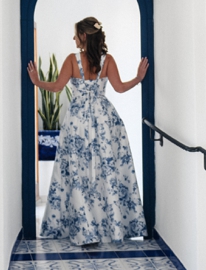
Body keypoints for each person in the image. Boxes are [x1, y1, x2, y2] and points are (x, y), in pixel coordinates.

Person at [27, 17, 149, 245]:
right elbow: (120, 88)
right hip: (105, 121)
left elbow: (56, 87)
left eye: (76, 34)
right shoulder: (108, 60)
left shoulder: (72, 60)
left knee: (78, 173)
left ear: (84, 36)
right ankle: (109, 226)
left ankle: (85, 229)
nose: (73, 38)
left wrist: (36, 81)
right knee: (105, 172)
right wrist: (139, 78)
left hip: (78, 122)